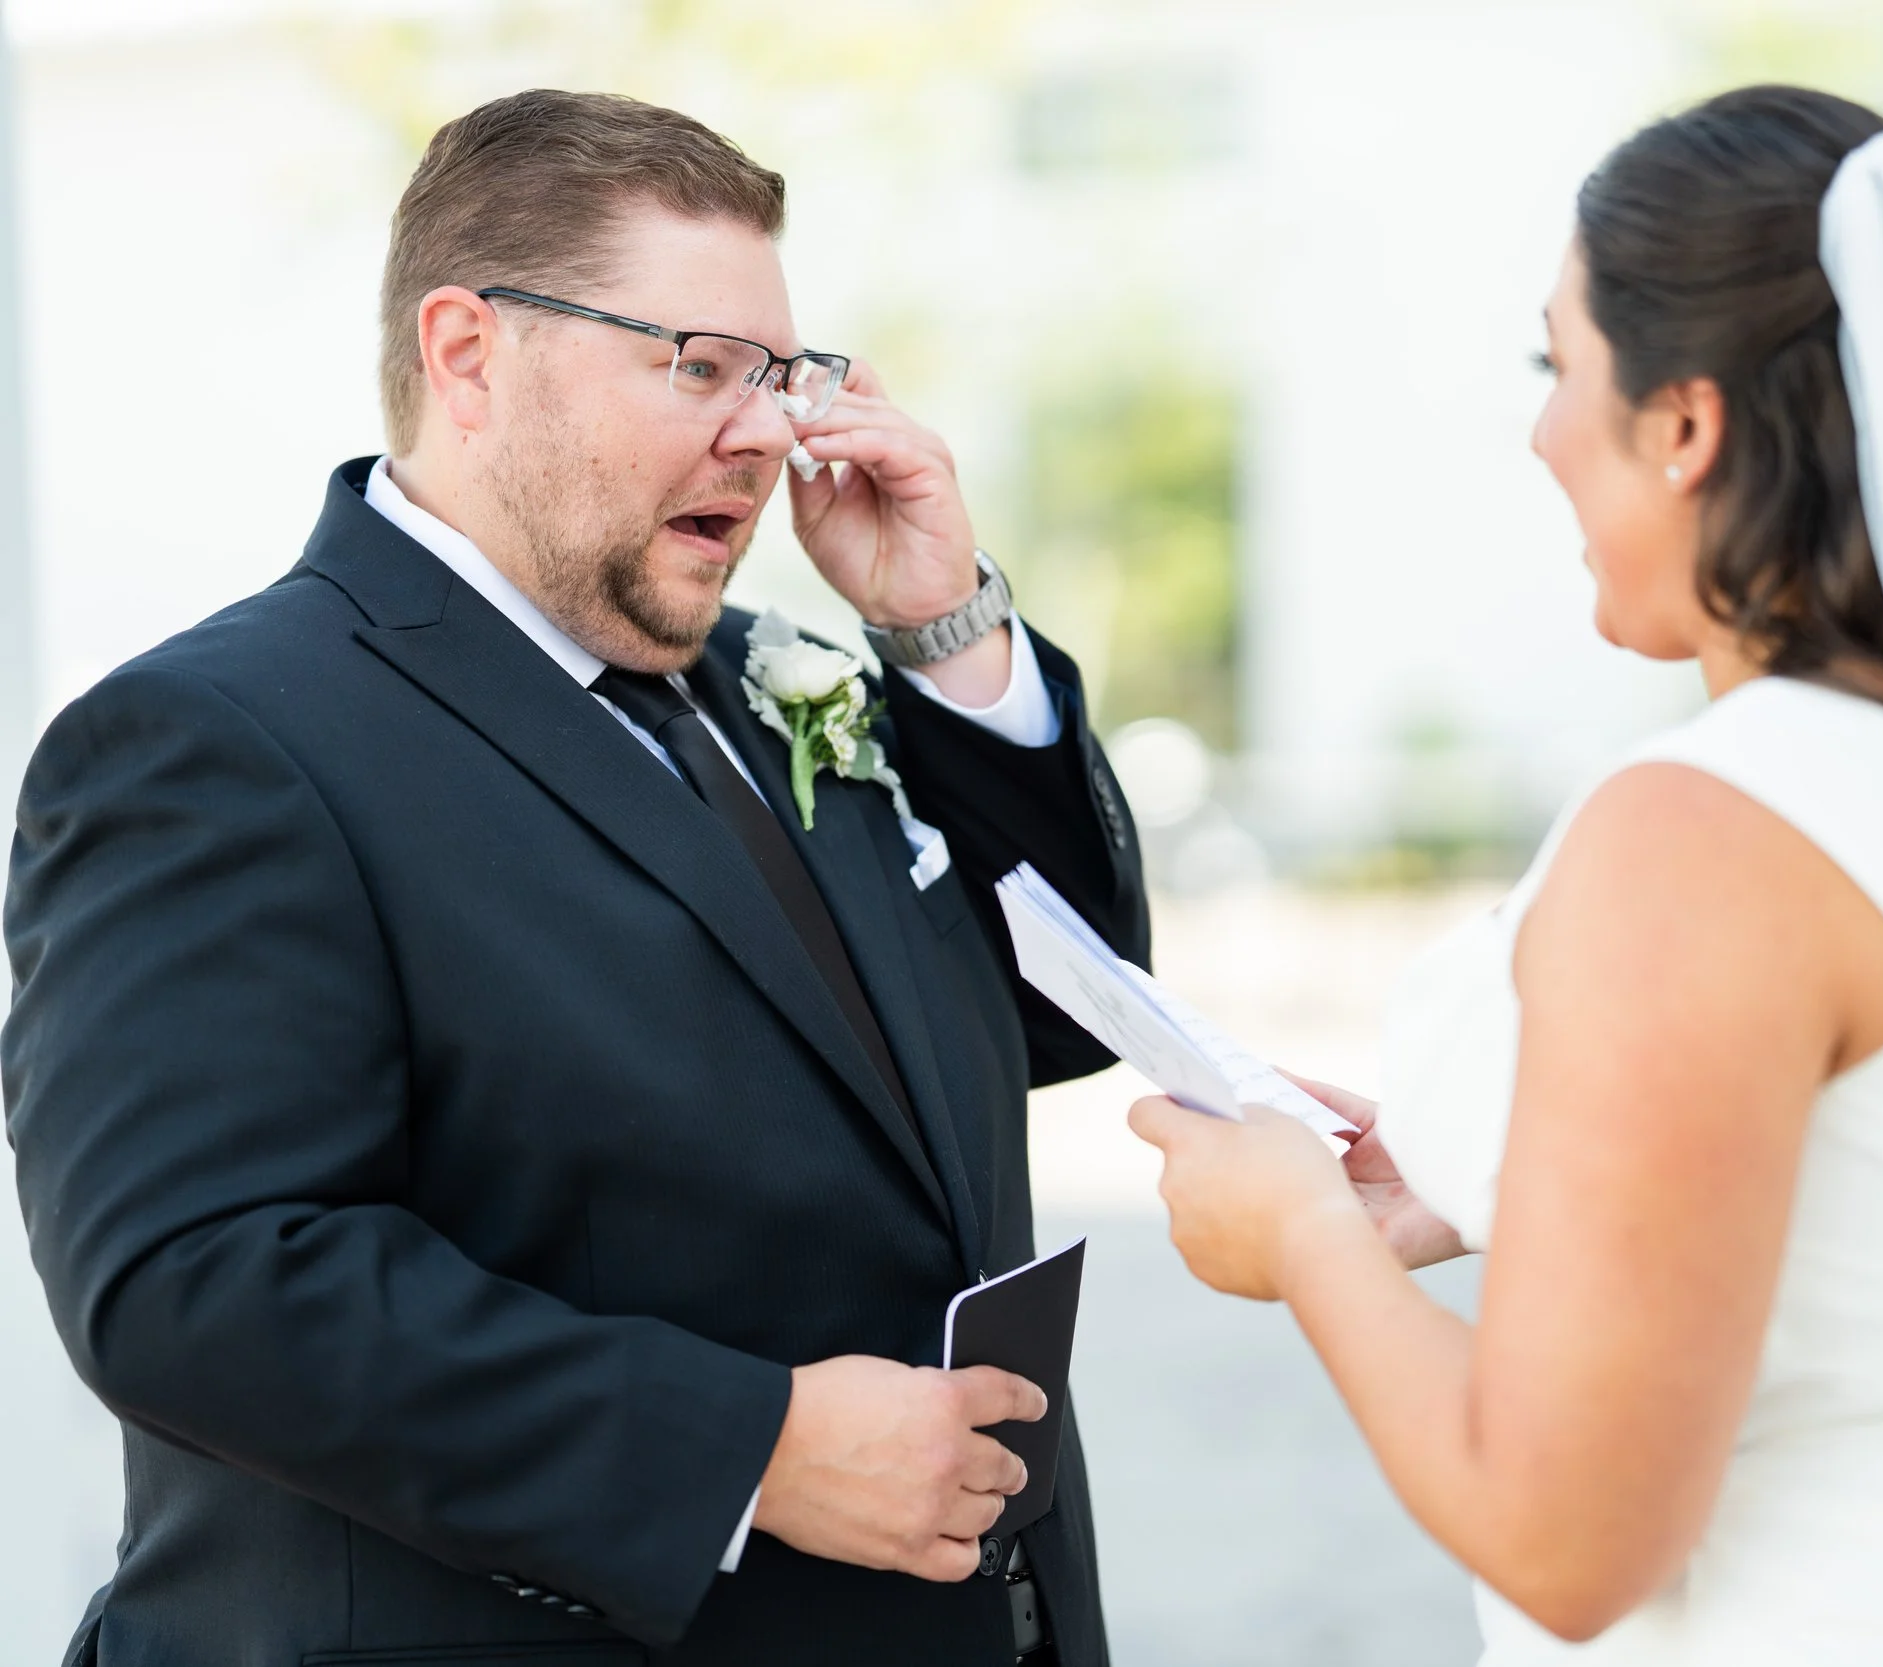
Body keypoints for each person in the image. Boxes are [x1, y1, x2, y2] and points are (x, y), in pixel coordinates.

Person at [1129, 87, 1883, 1664]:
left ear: (1687, 421)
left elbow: (1566, 1536)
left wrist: (1300, 1231)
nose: (1538, 432)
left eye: (1556, 367)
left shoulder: (1717, 826)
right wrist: (1481, 1172)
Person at [3, 89, 1144, 1666]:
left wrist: (945, 635)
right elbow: (198, 1281)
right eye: (697, 365)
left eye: (784, 372)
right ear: (469, 353)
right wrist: (750, 1447)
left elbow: (1067, 1014)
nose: (767, 429)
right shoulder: (211, 740)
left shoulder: (777, 680)